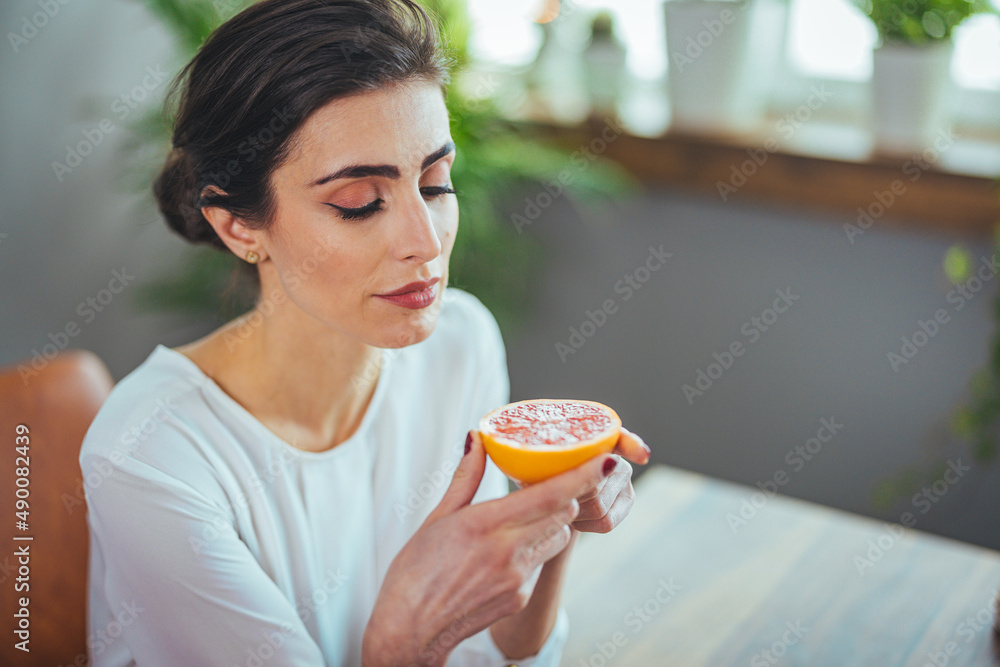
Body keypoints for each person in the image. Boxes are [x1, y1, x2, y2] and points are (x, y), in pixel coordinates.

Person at [79, 1, 651, 665]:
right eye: (359, 203)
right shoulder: (150, 454)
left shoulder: (458, 342)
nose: (424, 241)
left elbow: (506, 651)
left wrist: (551, 519)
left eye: (436, 183)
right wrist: (401, 638)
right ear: (239, 227)